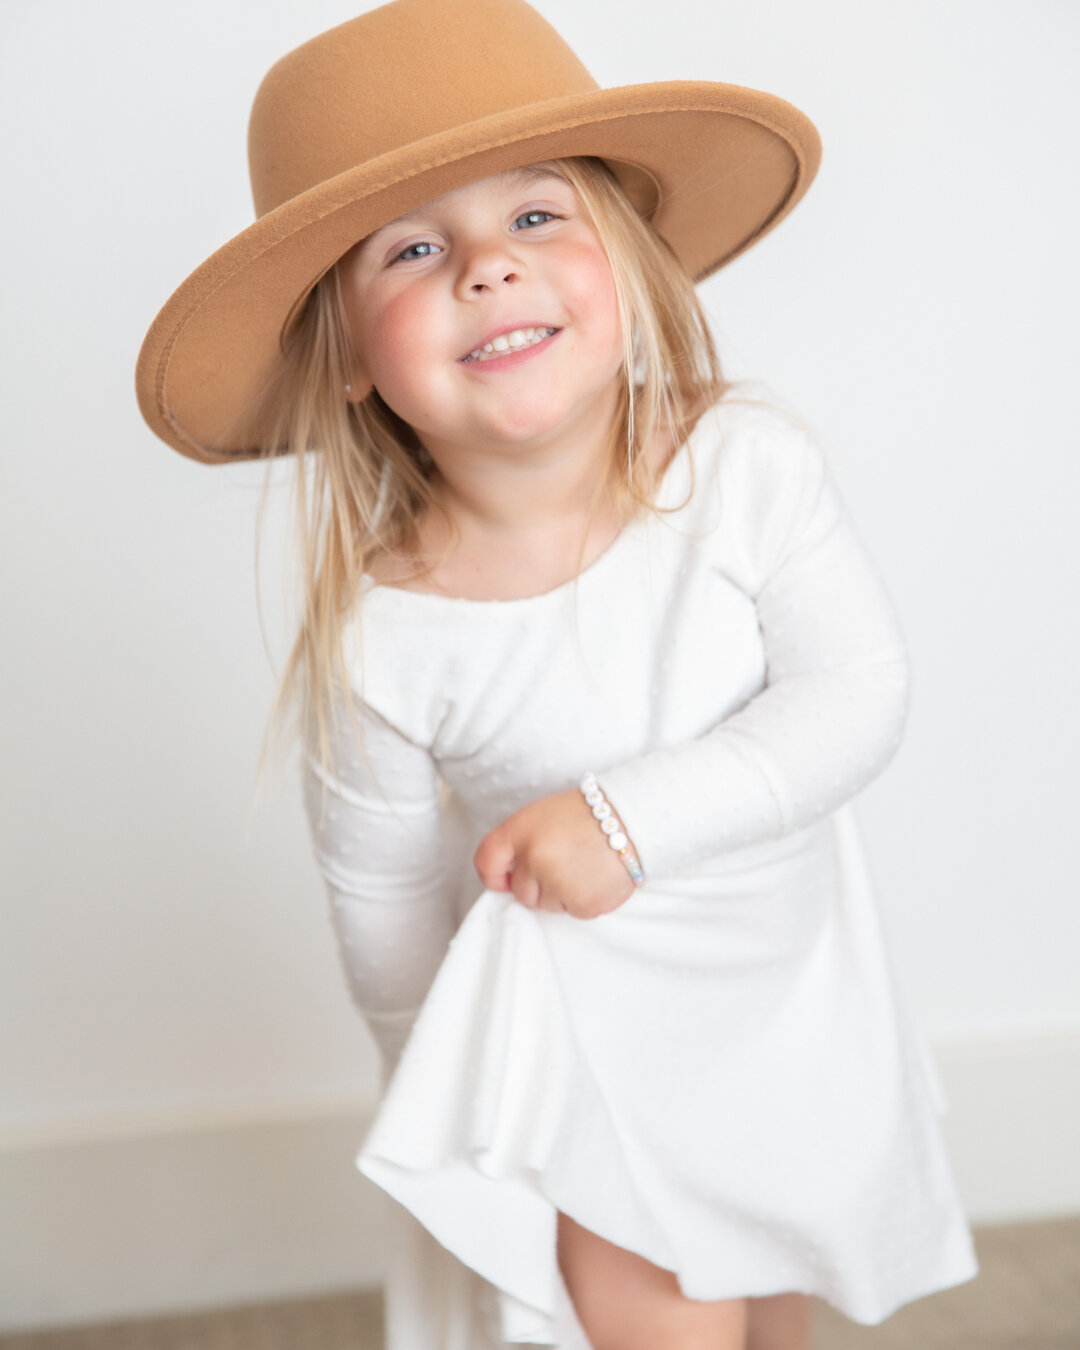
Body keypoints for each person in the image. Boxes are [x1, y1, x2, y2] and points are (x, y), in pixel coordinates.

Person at [135, 1, 980, 1346]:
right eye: (413, 249)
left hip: (782, 1010)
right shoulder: (384, 638)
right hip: (601, 1067)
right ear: (349, 358)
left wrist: (625, 821)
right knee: (669, 1317)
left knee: (773, 1313)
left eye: (535, 218)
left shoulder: (742, 471)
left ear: (631, 261)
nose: (487, 267)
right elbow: (388, 912)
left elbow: (855, 692)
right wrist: (458, 1115)